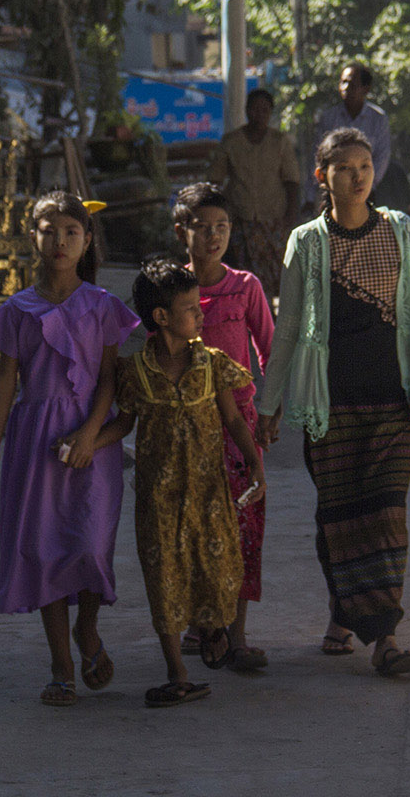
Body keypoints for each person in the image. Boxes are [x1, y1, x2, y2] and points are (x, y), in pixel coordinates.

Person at [257, 128, 410, 676]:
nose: (357, 176)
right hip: (328, 403)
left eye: (365, 167)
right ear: (322, 176)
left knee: (384, 514)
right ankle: (344, 609)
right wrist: (270, 404)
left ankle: (385, 638)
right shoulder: (307, 242)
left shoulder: (400, 230)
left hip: (392, 398)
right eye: (344, 168)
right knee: (338, 516)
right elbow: (287, 329)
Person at [0, 191, 142, 707]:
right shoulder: (16, 309)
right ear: (33, 237)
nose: (60, 240)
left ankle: (87, 631)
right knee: (43, 550)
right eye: (49, 230)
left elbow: (109, 378)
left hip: (93, 437)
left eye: (71, 231)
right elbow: (6, 381)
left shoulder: (103, 304)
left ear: (87, 240)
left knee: (89, 546)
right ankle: (60, 664)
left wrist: (90, 434)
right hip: (34, 440)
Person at [89, 258, 267, 707]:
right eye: (190, 308)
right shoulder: (134, 372)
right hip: (159, 500)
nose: (200, 315)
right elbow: (124, 425)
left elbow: (232, 419)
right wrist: (88, 444)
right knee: (163, 579)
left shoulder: (212, 364)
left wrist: (254, 462)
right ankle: (177, 672)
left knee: (220, 570)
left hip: (210, 496)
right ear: (162, 317)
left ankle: (211, 628)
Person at [169, 183, 274, 671]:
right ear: (180, 231)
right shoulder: (171, 290)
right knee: (193, 525)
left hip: (240, 426)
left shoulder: (245, 287)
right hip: (188, 426)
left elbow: (270, 350)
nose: (213, 236)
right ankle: (200, 623)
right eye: (201, 227)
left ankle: (238, 635)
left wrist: (270, 412)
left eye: (222, 227)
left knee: (243, 526)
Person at [205, 88, 300, 299]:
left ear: (271, 113)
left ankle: (272, 318)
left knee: (278, 272)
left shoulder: (280, 141)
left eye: (265, 110)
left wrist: (291, 216)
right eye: (255, 109)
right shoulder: (231, 142)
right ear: (247, 110)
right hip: (241, 218)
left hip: (273, 218)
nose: (259, 115)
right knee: (245, 273)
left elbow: (292, 180)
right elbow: (215, 179)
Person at [307, 62, 391, 208]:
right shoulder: (328, 118)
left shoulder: (378, 118)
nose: (346, 88)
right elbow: (318, 156)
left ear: (366, 89)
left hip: (366, 192)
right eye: (343, 82)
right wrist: (313, 195)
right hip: (334, 193)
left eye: (352, 84)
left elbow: (382, 156)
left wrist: (366, 185)